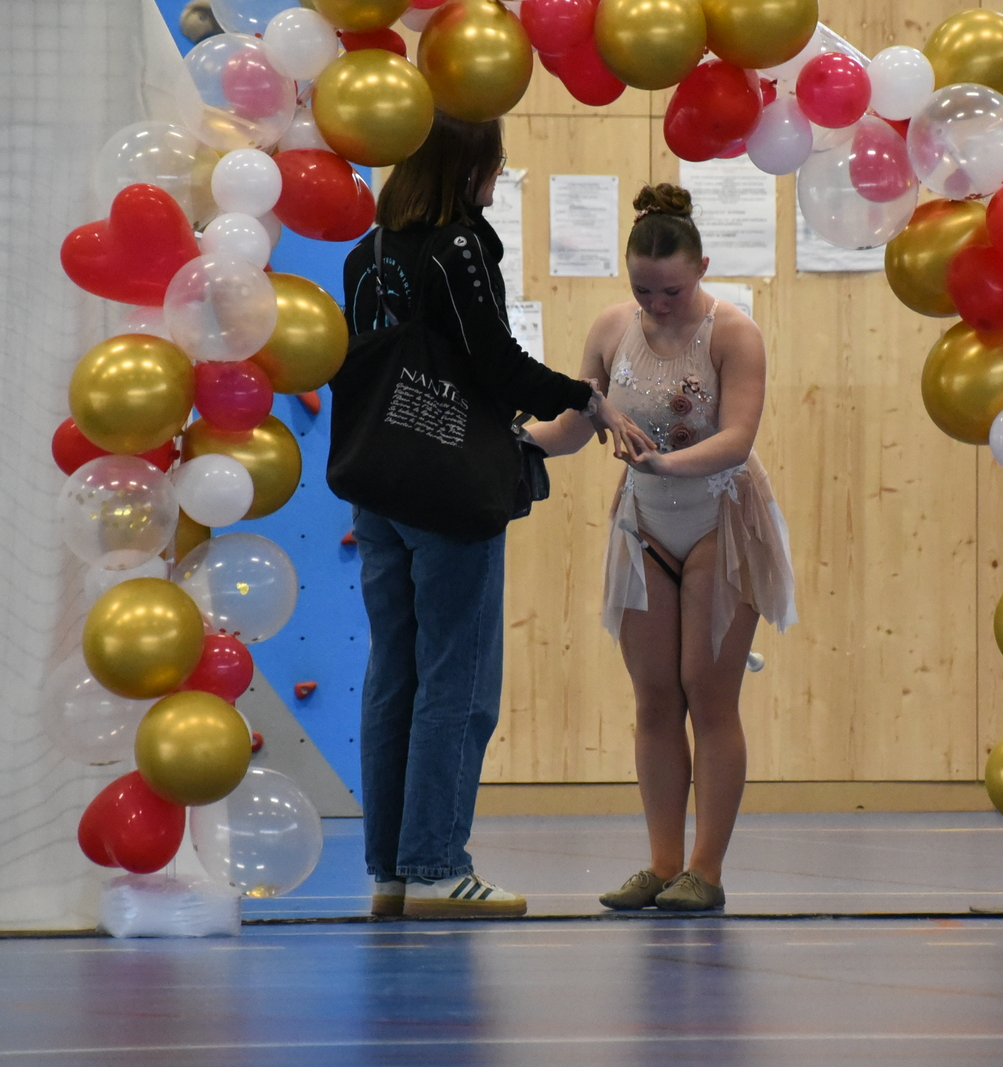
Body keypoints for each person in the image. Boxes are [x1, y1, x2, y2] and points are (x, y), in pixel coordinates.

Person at [338, 113, 651, 920]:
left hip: (377, 485)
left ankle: (392, 871)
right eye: (495, 160)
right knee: (460, 679)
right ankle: (438, 865)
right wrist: (586, 398)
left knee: (394, 674)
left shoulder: (366, 251)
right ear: (465, 165)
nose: (499, 173)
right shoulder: (461, 246)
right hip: (447, 490)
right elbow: (496, 364)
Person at [526, 184, 796, 911]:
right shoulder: (614, 329)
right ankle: (662, 861)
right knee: (653, 698)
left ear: (701, 268)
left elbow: (736, 438)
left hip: (721, 519)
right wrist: (517, 438)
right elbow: (576, 424)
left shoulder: (732, 333)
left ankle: (705, 868)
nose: (657, 304)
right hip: (644, 523)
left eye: (671, 290)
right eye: (643, 289)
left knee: (709, 695)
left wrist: (664, 465)